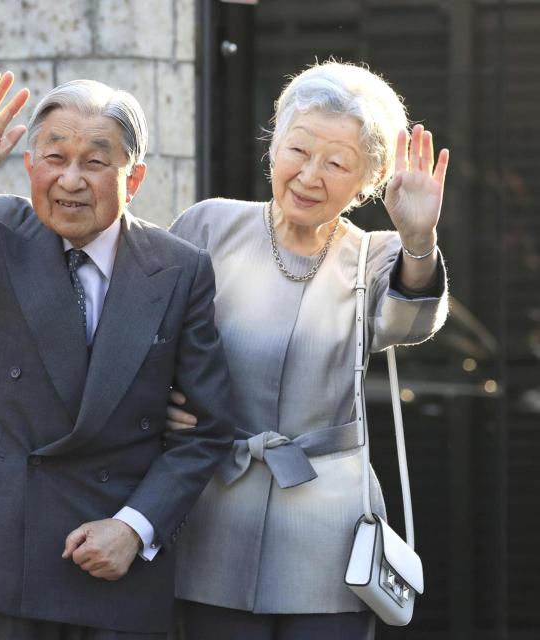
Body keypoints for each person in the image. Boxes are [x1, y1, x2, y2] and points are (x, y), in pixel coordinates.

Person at [0, 70, 235, 639]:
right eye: (54, 157)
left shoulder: (179, 268)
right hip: (5, 544)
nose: (71, 180)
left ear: (134, 180)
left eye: (96, 162)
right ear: (31, 166)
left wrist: (135, 527)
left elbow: (207, 429)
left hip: (115, 548)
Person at [165, 61, 450, 639]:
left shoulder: (376, 256)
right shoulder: (207, 227)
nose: (310, 175)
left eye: (337, 163)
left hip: (329, 526)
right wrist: (155, 403)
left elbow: (411, 321)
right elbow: (147, 339)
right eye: (298, 149)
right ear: (274, 148)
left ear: (368, 181)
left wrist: (419, 242)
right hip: (213, 508)